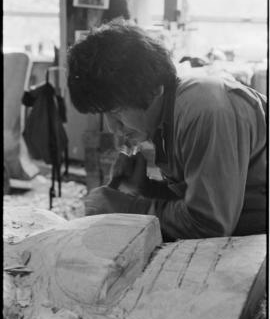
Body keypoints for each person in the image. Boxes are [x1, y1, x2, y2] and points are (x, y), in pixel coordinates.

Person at [67, 19, 266, 241]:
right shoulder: (165, 120)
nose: (114, 128)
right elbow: (196, 198)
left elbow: (209, 225)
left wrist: (128, 208)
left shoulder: (204, 109)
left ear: (153, 89)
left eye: (116, 111)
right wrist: (145, 188)